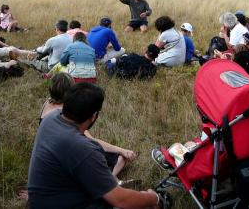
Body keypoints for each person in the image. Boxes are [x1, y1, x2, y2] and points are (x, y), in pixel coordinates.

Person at [28, 82, 162, 209]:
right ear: (94, 116)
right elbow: (121, 200)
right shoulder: (84, 150)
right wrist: (153, 198)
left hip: (42, 199)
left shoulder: (50, 119)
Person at [39, 73, 136, 181]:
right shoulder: (66, 114)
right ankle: (110, 180)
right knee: (120, 157)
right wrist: (121, 150)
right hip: (67, 157)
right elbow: (89, 140)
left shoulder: (47, 104)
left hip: (48, 156)